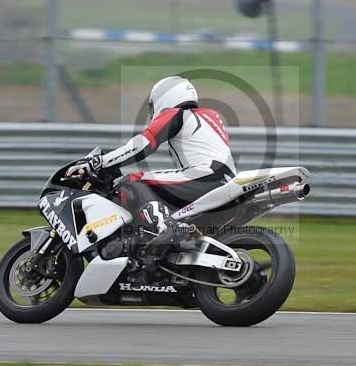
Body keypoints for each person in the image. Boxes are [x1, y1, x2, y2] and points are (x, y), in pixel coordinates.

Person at [67, 76, 236, 256]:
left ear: (165, 96)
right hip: (225, 179)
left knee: (132, 181)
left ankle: (168, 228)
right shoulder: (210, 116)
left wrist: (99, 161)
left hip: (206, 175)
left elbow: (143, 144)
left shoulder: (175, 114)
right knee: (161, 195)